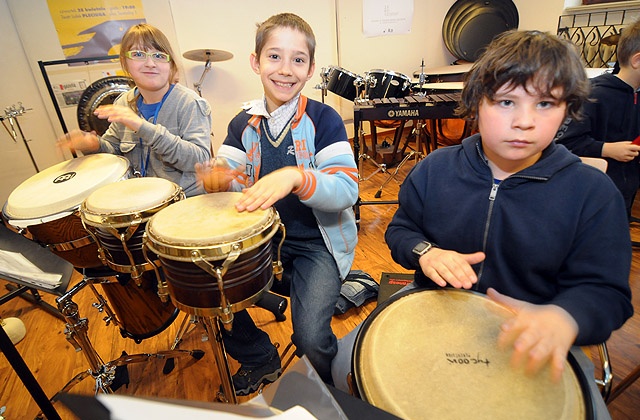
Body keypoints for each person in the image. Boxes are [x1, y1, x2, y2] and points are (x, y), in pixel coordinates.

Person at [332, 30, 633, 417]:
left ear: (567, 110)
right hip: (431, 313)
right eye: (506, 102)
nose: (524, 122)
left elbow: (608, 294)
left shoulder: (593, 193)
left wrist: (566, 318)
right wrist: (426, 252)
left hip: (534, 334)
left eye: (545, 104)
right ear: (476, 103)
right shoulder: (434, 170)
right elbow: (401, 230)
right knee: (339, 367)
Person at [196, 13, 358, 395]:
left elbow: (347, 189)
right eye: (274, 57)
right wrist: (216, 179)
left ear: (311, 69)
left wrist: (298, 177)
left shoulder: (325, 119)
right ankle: (257, 356)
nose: (286, 70)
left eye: (298, 60)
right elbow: (226, 170)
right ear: (255, 62)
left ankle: (329, 391)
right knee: (209, 292)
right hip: (262, 242)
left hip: (317, 246)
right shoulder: (242, 123)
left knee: (311, 340)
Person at [58, 23, 212, 197]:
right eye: (138, 54)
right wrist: (93, 145)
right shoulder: (123, 102)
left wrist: (141, 126)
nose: (150, 63)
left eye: (159, 56)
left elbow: (200, 161)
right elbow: (114, 152)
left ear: (170, 65)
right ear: (125, 62)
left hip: (183, 199)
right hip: (140, 197)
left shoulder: (190, 103)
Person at [555, 19, 640, 218]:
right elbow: (565, 143)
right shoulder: (593, 94)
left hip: (624, 192)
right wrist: (607, 149)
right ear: (637, 60)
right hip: (588, 193)